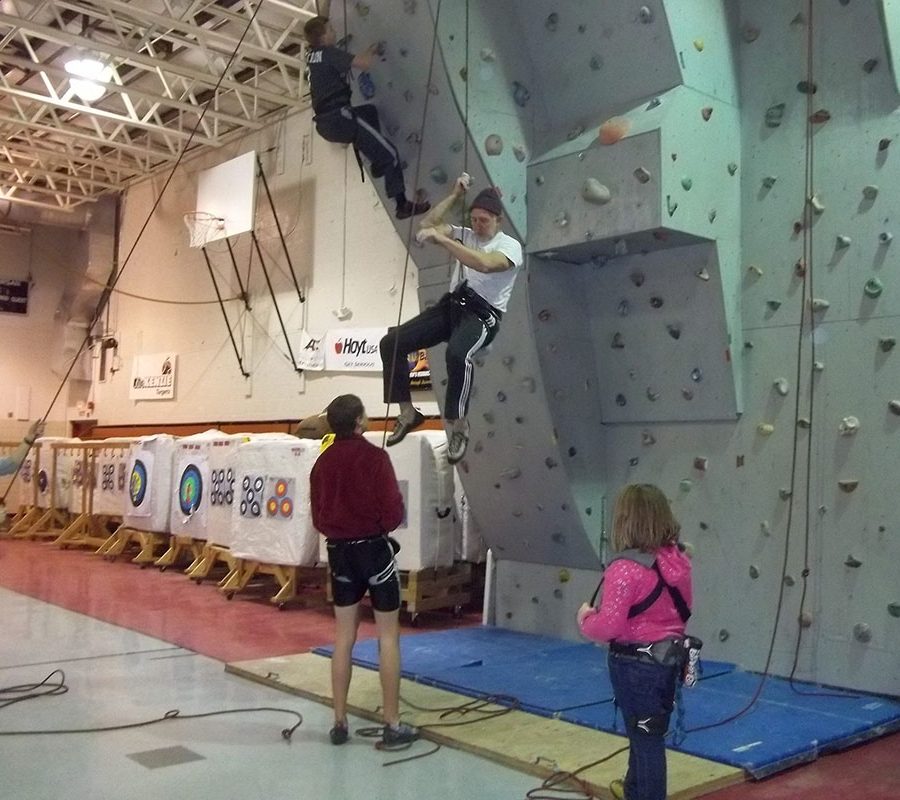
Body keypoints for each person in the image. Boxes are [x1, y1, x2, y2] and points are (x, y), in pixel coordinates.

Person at [379, 174, 524, 464]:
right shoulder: (466, 234)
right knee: (391, 342)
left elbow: (483, 264)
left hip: (482, 315)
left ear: (498, 221)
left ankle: (459, 425)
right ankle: (407, 412)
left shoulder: (509, 246)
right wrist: (455, 195)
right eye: (474, 219)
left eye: (484, 220)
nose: (478, 226)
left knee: (457, 354)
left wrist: (444, 240)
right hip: (452, 306)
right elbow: (427, 224)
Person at [308, 394, 418, 748]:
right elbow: (393, 511)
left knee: (343, 638)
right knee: (388, 637)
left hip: (340, 554)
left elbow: (319, 517)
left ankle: (339, 722)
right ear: (358, 421)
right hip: (374, 552)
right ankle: (392, 722)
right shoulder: (376, 458)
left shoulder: (321, 464)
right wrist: (377, 526)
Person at [576, 484, 693, 800]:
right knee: (645, 733)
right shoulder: (677, 561)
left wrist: (585, 618)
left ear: (625, 521)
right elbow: (683, 611)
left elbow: (609, 627)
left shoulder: (624, 569)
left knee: (645, 739)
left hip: (635, 666)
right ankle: (634, 790)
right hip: (668, 660)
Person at [303, 6, 430, 220]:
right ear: (323, 37)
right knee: (391, 154)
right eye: (331, 29)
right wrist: (372, 49)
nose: (335, 32)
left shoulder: (313, 56)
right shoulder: (328, 53)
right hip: (340, 117)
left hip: (328, 121)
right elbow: (363, 64)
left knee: (369, 112)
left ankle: (378, 164)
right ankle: (402, 204)